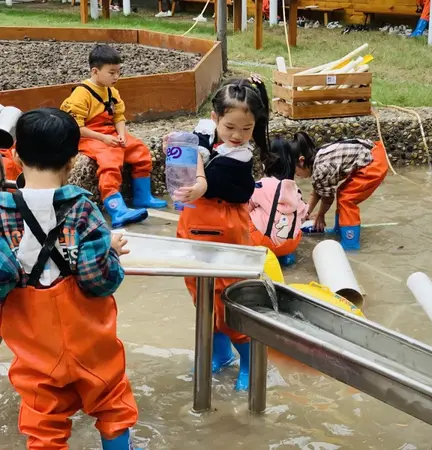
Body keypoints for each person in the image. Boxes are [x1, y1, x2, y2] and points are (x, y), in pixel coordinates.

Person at [0, 108, 138, 450]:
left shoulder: (3, 213)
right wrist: (111, 250)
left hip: (33, 344)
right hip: (89, 338)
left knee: (42, 420)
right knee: (111, 402)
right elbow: (97, 279)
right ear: (74, 161)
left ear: (15, 155)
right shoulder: (82, 209)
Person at [175, 77, 270, 392]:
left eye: (247, 129)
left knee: (227, 298)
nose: (238, 136)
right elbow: (191, 151)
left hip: (225, 231)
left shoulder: (239, 158)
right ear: (215, 119)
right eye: (230, 127)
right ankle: (219, 355)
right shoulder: (204, 134)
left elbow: (215, 183)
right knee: (200, 295)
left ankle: (250, 359)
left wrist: (199, 183)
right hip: (193, 228)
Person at [60, 44, 167, 229]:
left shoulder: (112, 91)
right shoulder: (81, 94)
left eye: (118, 72)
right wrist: (103, 139)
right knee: (110, 159)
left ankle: (143, 196)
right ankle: (116, 208)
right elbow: (75, 127)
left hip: (109, 132)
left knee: (139, 150)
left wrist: (122, 134)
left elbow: (119, 116)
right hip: (87, 137)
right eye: (111, 72)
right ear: (95, 71)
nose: (116, 76)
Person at [295, 137, 388, 251]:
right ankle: (340, 231)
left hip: (373, 163)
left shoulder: (321, 169)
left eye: (295, 171)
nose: (297, 175)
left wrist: (320, 215)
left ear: (301, 161)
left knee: (347, 199)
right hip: (373, 152)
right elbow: (317, 192)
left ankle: (350, 243)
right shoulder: (318, 158)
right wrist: (305, 214)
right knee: (342, 193)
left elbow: (328, 198)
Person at [249, 135, 308, 267]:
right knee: (294, 220)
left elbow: (245, 208)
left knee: (242, 213)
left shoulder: (262, 185)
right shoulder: (295, 189)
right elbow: (304, 214)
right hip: (290, 245)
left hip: (263, 243)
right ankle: (286, 257)